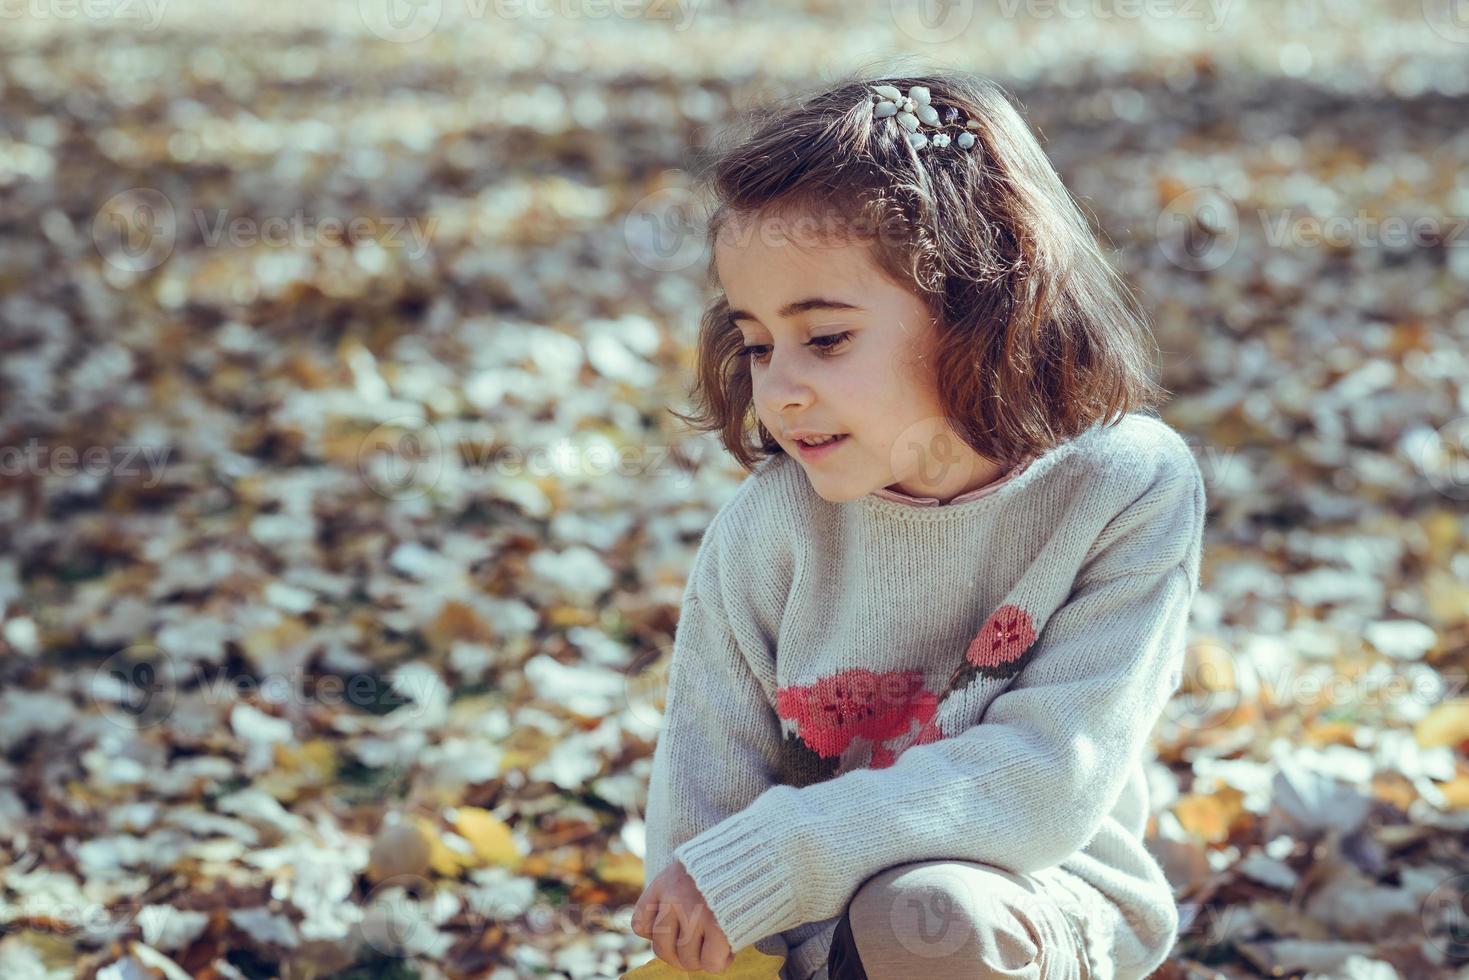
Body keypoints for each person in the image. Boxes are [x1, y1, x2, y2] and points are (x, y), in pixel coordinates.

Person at [631, 64, 1207, 980]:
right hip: (800, 938)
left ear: (979, 304)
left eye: (824, 338)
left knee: (923, 917)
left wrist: (779, 857)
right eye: (756, 343)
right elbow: (703, 822)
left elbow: (1045, 776)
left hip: (1023, 895)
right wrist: (715, 920)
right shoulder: (768, 531)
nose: (780, 388)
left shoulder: (1123, 487)